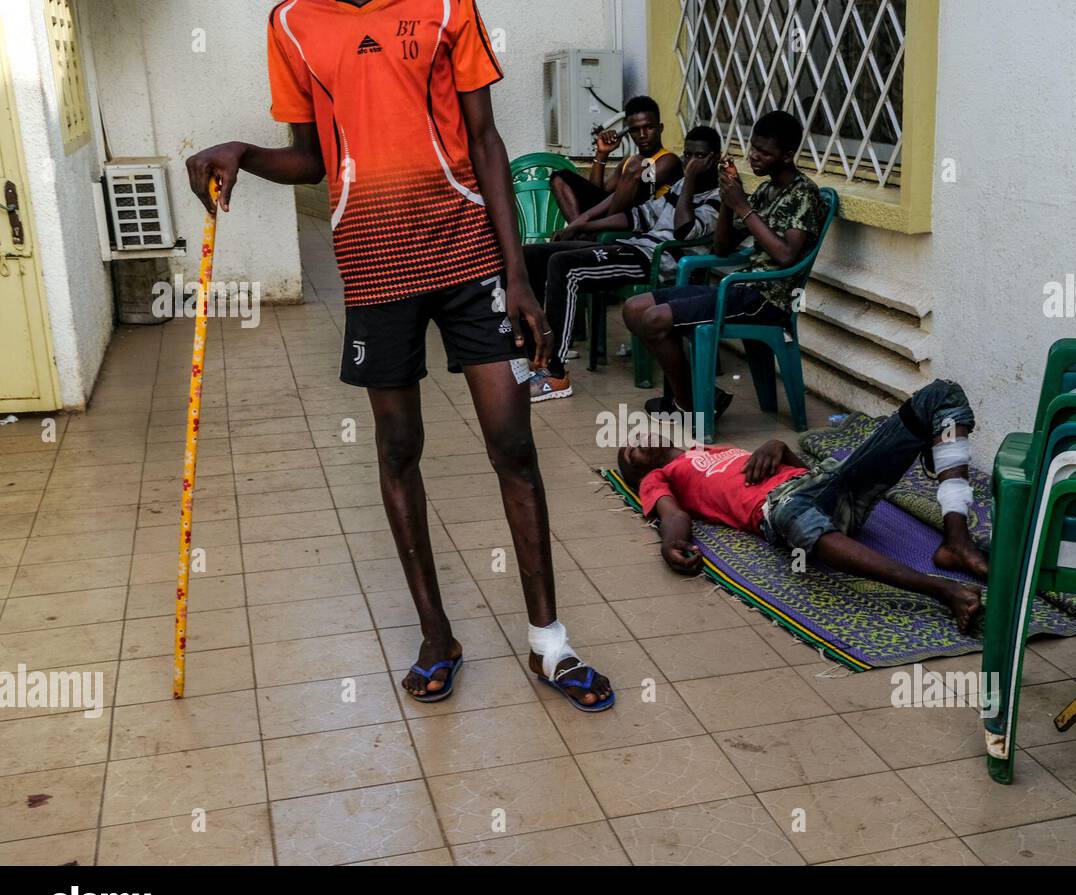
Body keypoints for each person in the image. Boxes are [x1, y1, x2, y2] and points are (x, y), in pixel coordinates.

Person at [185, 0, 612, 711]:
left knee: (513, 445)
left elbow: (486, 139)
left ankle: (550, 643)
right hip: (374, 267)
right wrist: (245, 155)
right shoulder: (291, 22)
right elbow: (313, 158)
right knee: (398, 449)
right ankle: (437, 636)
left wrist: (517, 274)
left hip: (470, 256)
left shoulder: (447, 6)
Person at [616, 380, 988, 631]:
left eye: (633, 437)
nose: (636, 442)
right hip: (786, 509)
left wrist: (778, 446)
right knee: (794, 514)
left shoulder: (709, 450)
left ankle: (956, 541)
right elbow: (674, 514)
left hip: (830, 483)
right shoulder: (659, 477)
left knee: (942, 394)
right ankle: (941, 590)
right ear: (639, 472)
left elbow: (797, 469)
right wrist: (671, 543)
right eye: (630, 453)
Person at [623, 109, 826, 420]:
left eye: (764, 152)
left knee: (654, 320)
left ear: (787, 156)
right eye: (753, 148)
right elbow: (722, 247)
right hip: (742, 287)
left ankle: (690, 405)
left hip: (767, 298)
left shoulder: (804, 194)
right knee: (634, 308)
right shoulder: (766, 189)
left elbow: (787, 255)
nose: (754, 157)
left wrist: (742, 206)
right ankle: (695, 398)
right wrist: (730, 203)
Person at [522, 126, 723, 402]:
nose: (690, 162)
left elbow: (684, 231)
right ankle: (534, 356)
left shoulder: (718, 197)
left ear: (714, 158)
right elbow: (638, 216)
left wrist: (688, 180)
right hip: (634, 247)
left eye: (698, 156)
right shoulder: (680, 188)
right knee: (532, 254)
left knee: (564, 266)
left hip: (655, 261)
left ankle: (554, 373)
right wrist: (583, 224)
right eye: (687, 154)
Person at [550, 95, 683, 229]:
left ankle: (592, 231)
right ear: (629, 132)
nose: (642, 135)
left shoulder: (669, 160)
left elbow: (639, 188)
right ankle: (579, 232)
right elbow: (597, 195)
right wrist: (602, 154)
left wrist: (589, 221)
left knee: (636, 165)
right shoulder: (628, 162)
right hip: (608, 217)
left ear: (660, 128)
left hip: (637, 220)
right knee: (559, 177)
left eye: (649, 128)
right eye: (635, 130)